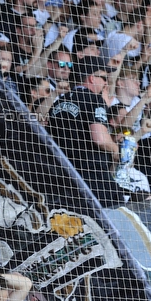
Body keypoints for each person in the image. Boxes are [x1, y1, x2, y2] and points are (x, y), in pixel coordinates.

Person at [47, 56, 125, 205]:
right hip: (92, 177)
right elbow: (100, 139)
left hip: (62, 178)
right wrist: (117, 149)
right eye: (103, 78)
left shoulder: (58, 102)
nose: (106, 83)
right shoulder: (94, 99)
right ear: (91, 78)